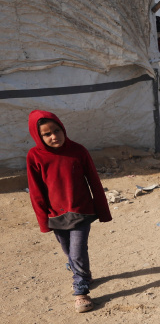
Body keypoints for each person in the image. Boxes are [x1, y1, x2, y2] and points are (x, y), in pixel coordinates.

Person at [26, 110, 112, 313]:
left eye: (57, 130)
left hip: (81, 210)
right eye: (47, 134)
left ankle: (81, 290)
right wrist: (43, 221)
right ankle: (82, 272)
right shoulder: (34, 156)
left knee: (78, 250)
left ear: (63, 129)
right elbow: (36, 191)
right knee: (69, 251)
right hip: (55, 214)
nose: (54, 136)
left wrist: (103, 211)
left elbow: (94, 181)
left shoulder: (78, 151)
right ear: (38, 136)